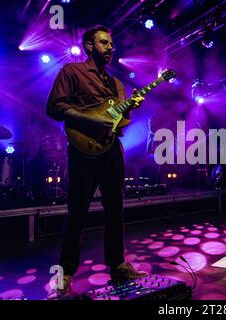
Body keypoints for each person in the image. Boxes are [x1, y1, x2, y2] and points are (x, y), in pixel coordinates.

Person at [46, 25, 146, 298]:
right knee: (77, 211)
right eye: (104, 43)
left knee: (116, 210)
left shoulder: (116, 84)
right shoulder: (72, 72)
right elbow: (54, 107)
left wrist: (130, 108)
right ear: (89, 46)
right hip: (82, 149)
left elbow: (120, 123)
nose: (111, 48)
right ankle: (65, 272)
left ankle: (117, 264)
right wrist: (91, 118)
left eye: (112, 44)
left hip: (111, 149)